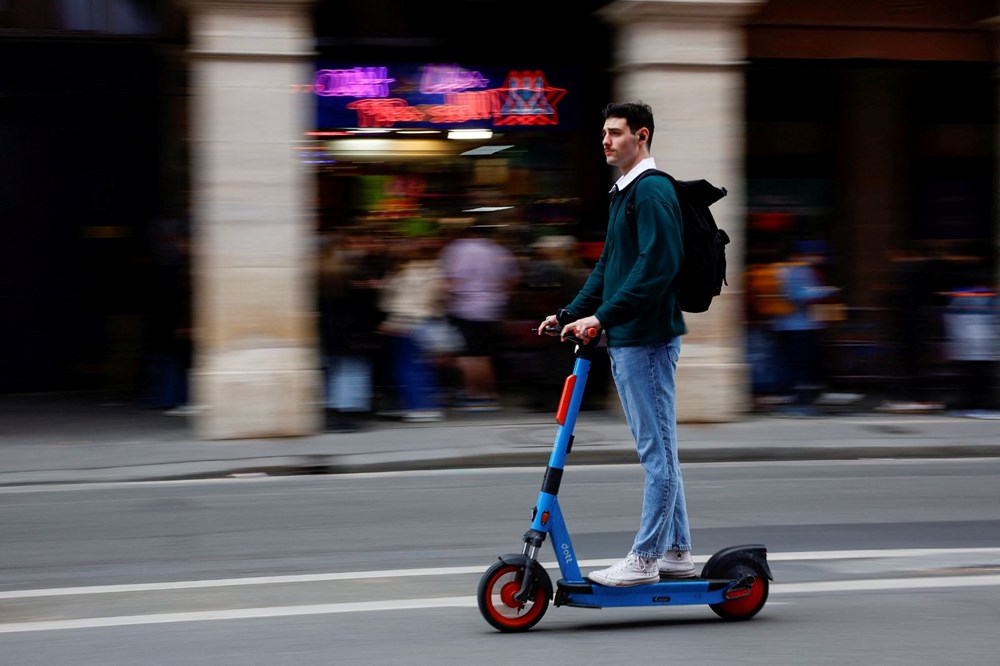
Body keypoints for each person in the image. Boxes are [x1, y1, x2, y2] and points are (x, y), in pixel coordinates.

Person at [538, 101, 694, 586]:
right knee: (662, 452)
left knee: (657, 455)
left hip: (646, 340)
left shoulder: (651, 192)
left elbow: (657, 266)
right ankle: (676, 550)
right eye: (603, 133)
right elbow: (610, 267)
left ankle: (645, 559)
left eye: (615, 133)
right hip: (629, 339)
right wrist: (569, 314)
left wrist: (602, 317)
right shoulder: (625, 193)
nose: (605, 141)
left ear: (640, 136)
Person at [439, 219, 519, 411]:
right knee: (484, 354)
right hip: (491, 309)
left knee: (469, 356)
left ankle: (474, 395)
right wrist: (500, 296)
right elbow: (512, 278)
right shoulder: (497, 250)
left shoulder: (457, 249)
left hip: (466, 308)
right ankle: (489, 394)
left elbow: (452, 281)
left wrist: (445, 300)